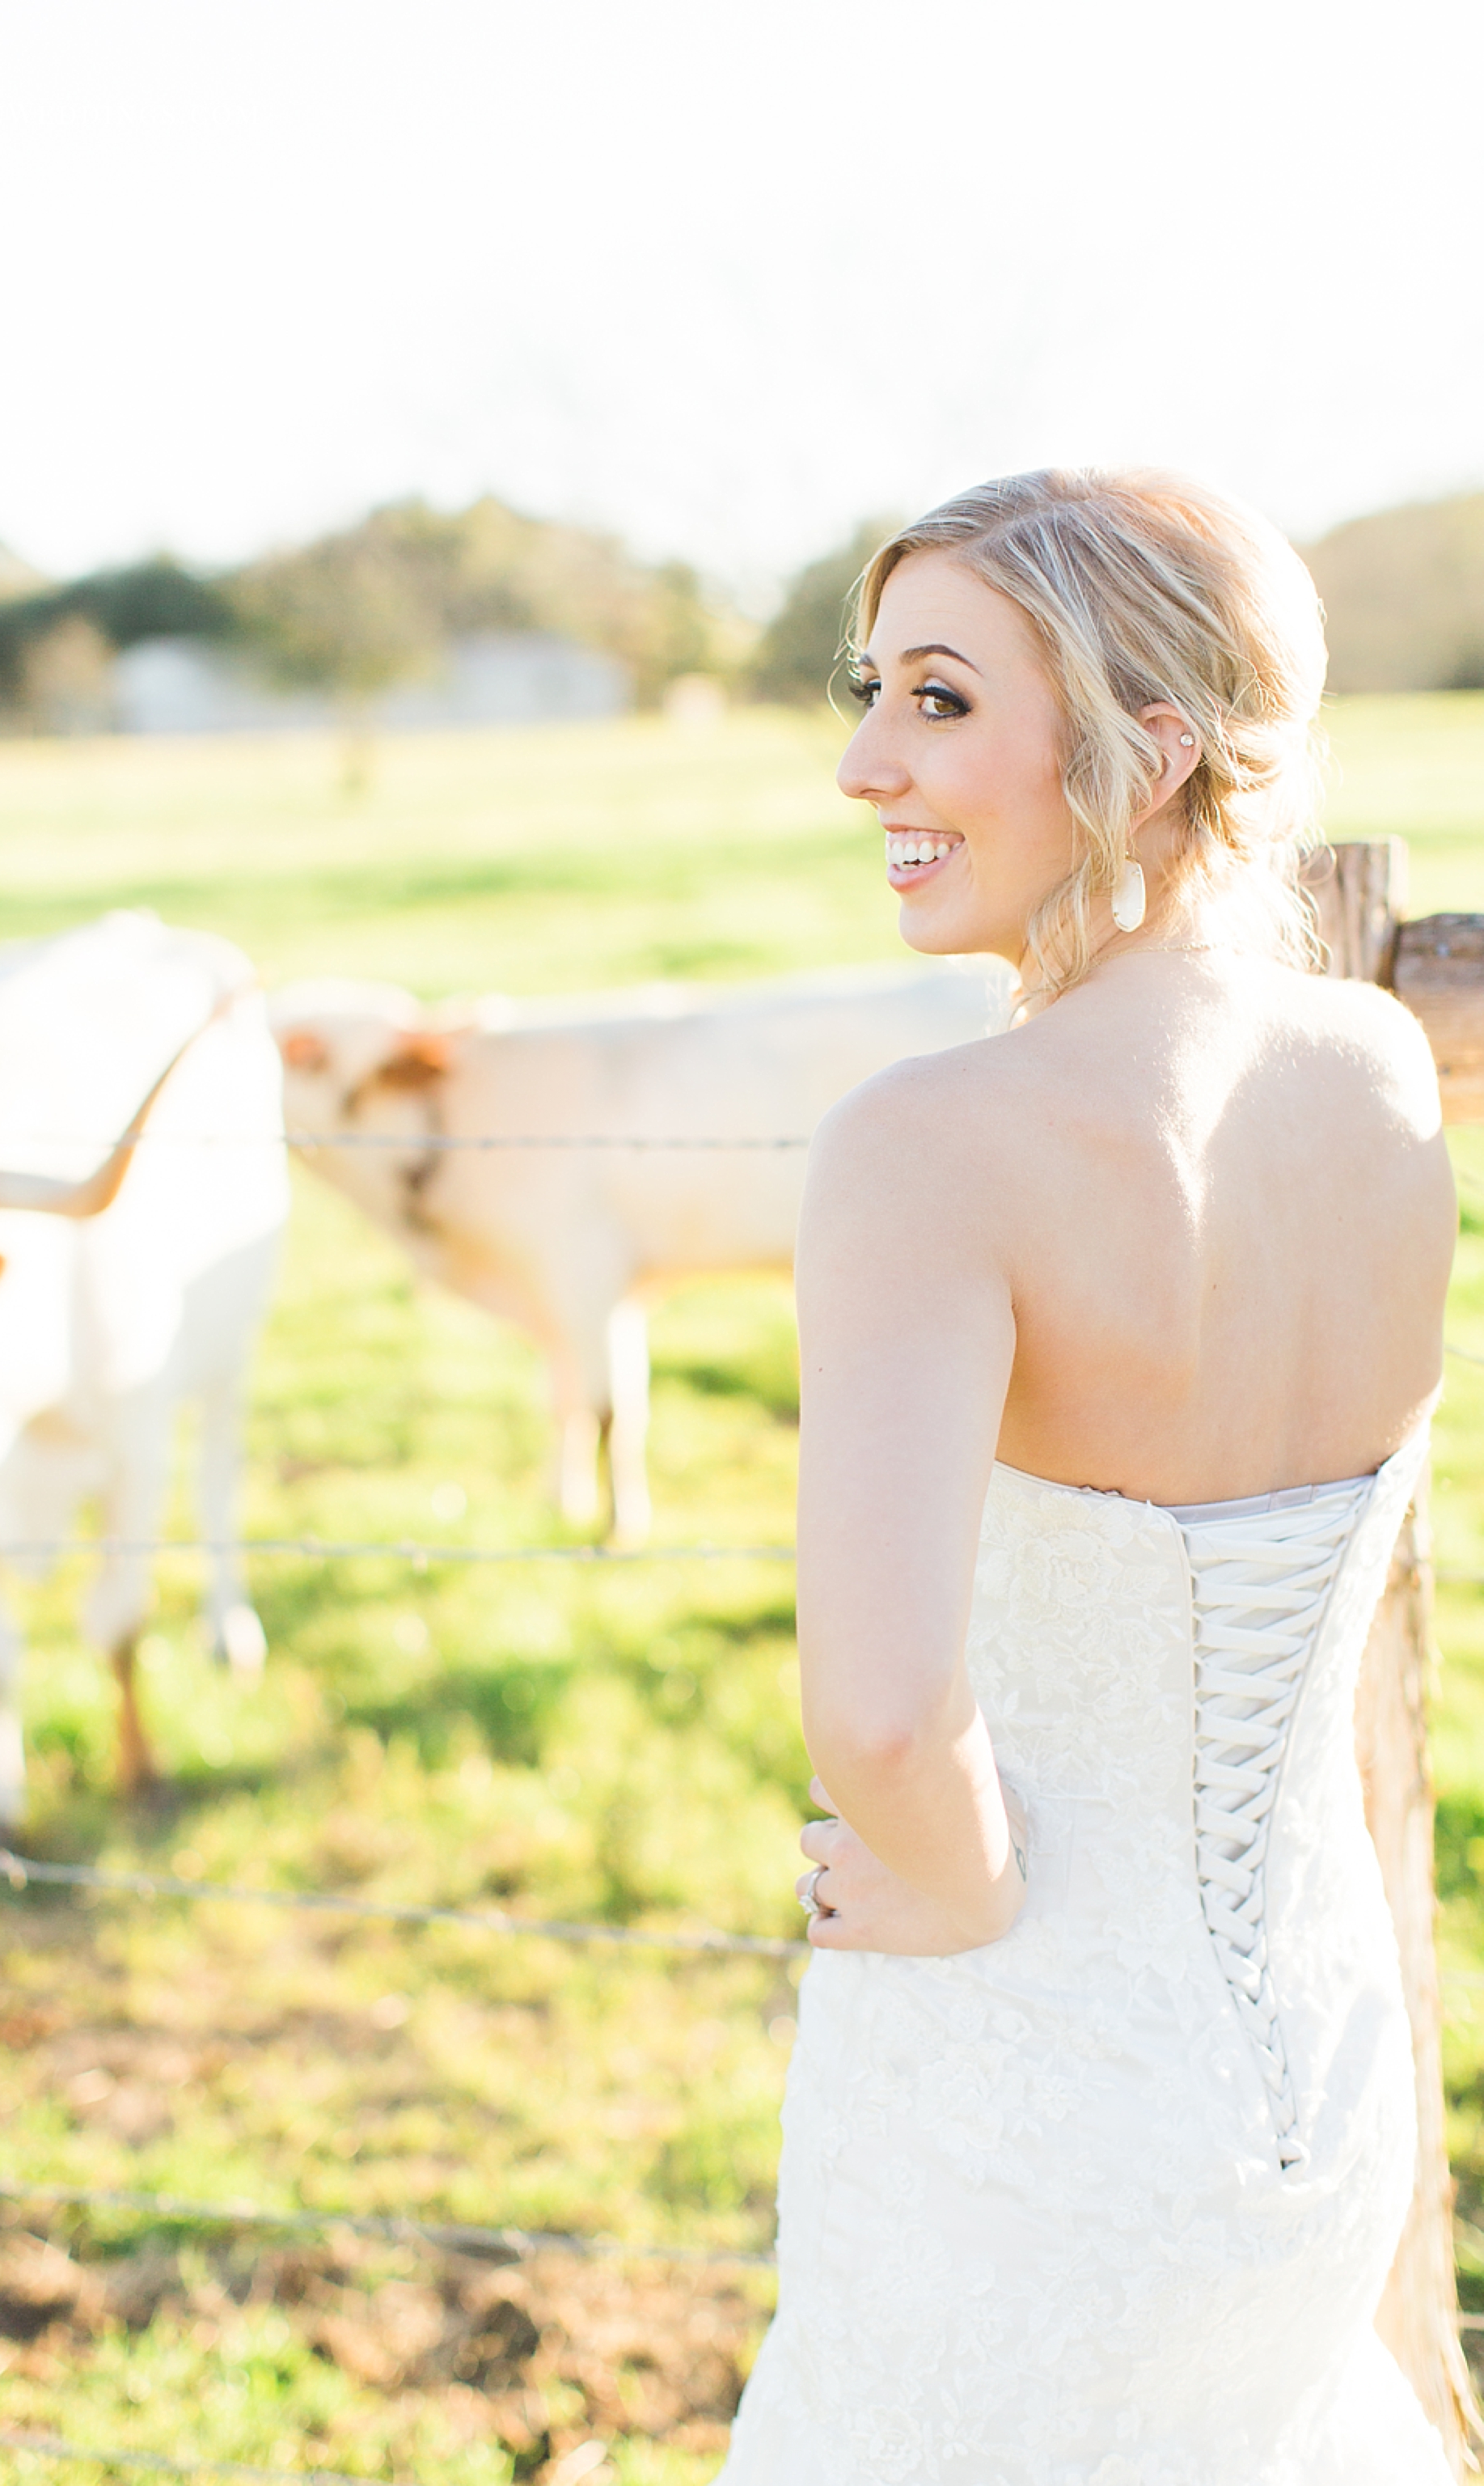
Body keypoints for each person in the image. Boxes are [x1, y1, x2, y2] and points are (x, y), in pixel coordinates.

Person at [717, 469, 1457, 2483]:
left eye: (941, 699)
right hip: (1318, 2073)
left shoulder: (931, 1143)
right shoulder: (1377, 1074)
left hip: (1015, 2106)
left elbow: (882, 1714)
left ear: (1154, 747)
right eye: (873, 692)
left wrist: (955, 1879)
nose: (866, 765)